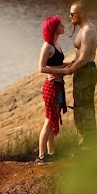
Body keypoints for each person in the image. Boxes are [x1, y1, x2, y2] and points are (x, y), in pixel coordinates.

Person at [37, 15, 72, 164]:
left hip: (58, 86)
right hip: (51, 87)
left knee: (53, 120)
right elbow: (41, 68)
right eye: (60, 24)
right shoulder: (47, 46)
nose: (63, 26)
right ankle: (41, 156)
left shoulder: (56, 44)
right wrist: (62, 71)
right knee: (49, 121)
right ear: (54, 28)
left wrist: (68, 64)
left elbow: (57, 64)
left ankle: (51, 153)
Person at [65, 0, 97, 147]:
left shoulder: (87, 31)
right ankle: (88, 145)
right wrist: (70, 64)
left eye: (72, 14)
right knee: (82, 107)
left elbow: (85, 57)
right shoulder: (84, 29)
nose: (70, 16)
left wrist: (69, 70)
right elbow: (80, 57)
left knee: (83, 110)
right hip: (84, 71)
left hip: (85, 72)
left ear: (82, 14)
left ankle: (87, 147)